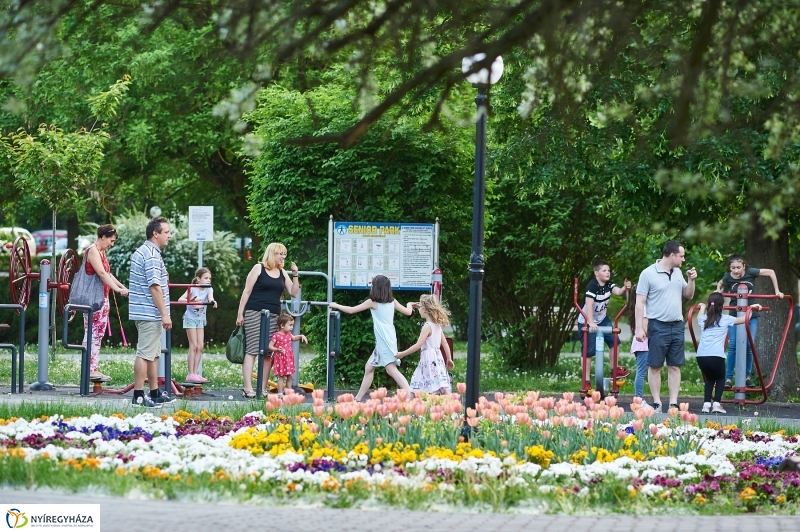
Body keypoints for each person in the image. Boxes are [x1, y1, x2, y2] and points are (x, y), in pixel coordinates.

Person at [634, 240, 697, 413]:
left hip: (676, 325)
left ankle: (673, 403)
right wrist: (639, 328)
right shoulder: (647, 274)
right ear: (672, 255)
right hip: (657, 325)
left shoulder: (677, 273)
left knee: (675, 365)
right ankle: (657, 402)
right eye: (681, 256)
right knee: (654, 366)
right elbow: (639, 302)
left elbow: (688, 294)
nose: (683, 260)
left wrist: (691, 281)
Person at [329, 275, 415, 401]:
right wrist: (409, 304)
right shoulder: (392, 301)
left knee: (391, 369)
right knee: (369, 368)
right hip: (386, 339)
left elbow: (352, 310)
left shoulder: (373, 302)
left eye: (373, 285)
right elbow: (408, 312)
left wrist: (336, 305)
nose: (371, 287)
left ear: (377, 288)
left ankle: (410, 395)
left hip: (384, 340)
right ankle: (357, 399)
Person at [236, 242, 300, 399]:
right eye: (280, 254)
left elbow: (293, 292)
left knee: (268, 352)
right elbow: (247, 291)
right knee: (252, 350)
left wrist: (295, 274)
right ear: (272, 253)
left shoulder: (282, 272)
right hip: (255, 312)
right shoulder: (259, 268)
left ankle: (262, 388)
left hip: (274, 316)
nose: (283, 257)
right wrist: (240, 313)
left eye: (284, 254)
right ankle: (248, 388)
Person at [716, 254, 783, 388]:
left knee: (749, 345)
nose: (735, 270)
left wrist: (777, 291)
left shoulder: (751, 272)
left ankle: (746, 377)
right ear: (729, 267)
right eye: (733, 268)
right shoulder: (728, 277)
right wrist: (717, 291)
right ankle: (728, 379)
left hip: (750, 313)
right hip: (735, 314)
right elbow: (720, 283)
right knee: (733, 345)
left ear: (744, 266)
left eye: (738, 267)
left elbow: (771, 272)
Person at [128, 217, 175, 408]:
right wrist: (165, 314)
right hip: (149, 311)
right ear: (155, 234)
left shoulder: (146, 251)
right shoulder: (151, 255)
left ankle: (154, 393)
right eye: (166, 232)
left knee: (153, 354)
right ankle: (138, 396)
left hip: (146, 311)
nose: (169, 236)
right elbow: (155, 287)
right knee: (145, 353)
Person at [696, 292, 762, 413]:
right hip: (716, 355)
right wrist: (751, 308)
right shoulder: (726, 319)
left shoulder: (703, 319)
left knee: (710, 379)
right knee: (721, 378)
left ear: (709, 305)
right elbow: (745, 318)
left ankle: (706, 405)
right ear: (722, 306)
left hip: (701, 356)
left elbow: (698, 316)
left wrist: (702, 308)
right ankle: (716, 403)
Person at [81, 224, 129, 381]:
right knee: (92, 333)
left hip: (102, 298)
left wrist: (122, 287)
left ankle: (92, 368)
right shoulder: (93, 251)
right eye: (111, 240)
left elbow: (108, 273)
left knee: (98, 334)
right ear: (103, 237)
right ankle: (88, 369)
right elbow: (101, 273)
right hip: (93, 299)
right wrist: (116, 289)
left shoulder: (101, 252)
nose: (112, 244)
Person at [577, 260, 631, 381]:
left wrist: (624, 288)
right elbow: (589, 304)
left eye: (609, 271)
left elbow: (618, 292)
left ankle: (614, 370)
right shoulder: (592, 286)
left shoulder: (608, 284)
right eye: (604, 271)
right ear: (596, 273)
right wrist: (590, 322)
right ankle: (586, 380)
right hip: (586, 320)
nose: (607, 273)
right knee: (588, 351)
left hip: (602, 319)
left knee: (615, 342)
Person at [395, 294, 454, 394]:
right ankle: (449, 406)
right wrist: (449, 358)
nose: (418, 309)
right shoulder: (437, 326)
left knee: (416, 384)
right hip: (437, 360)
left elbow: (418, 345)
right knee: (440, 384)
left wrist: (402, 354)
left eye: (420, 307)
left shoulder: (427, 326)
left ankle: (408, 407)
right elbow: (444, 343)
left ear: (425, 310)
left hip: (428, 360)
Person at [178, 267, 217, 384]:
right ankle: (190, 373)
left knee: (200, 346)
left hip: (200, 320)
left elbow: (211, 298)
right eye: (206, 278)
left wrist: (213, 302)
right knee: (193, 346)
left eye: (209, 278)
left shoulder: (209, 289)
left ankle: (195, 373)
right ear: (198, 279)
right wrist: (191, 300)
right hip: (190, 319)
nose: (208, 280)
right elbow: (180, 300)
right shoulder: (192, 289)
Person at [269, 313, 308, 395]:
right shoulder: (276, 335)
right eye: (290, 325)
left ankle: (288, 392)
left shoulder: (289, 334)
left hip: (288, 358)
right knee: (282, 376)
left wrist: (301, 336)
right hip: (281, 358)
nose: (292, 327)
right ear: (282, 325)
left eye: (292, 325)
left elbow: (294, 338)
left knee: (290, 376)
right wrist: (277, 349)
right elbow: (270, 346)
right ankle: (280, 393)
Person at [626, 284, 649, 407]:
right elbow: (645, 327)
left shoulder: (635, 307)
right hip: (644, 344)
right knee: (641, 372)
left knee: (641, 372)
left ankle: (638, 398)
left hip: (639, 344)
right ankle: (639, 399)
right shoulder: (644, 308)